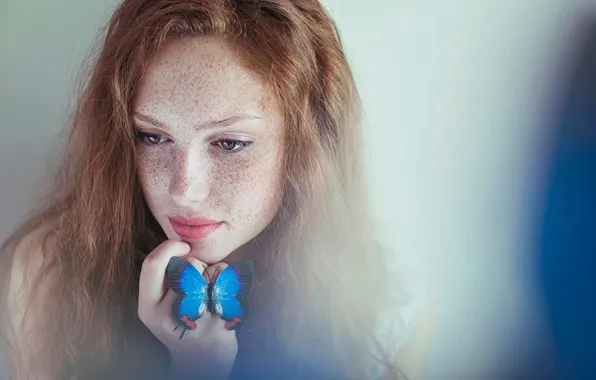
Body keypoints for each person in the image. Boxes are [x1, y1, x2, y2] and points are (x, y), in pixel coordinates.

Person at [0, 0, 434, 379]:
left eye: (230, 144)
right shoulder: (52, 276)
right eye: (152, 137)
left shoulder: (381, 305)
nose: (184, 189)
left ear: (308, 147)